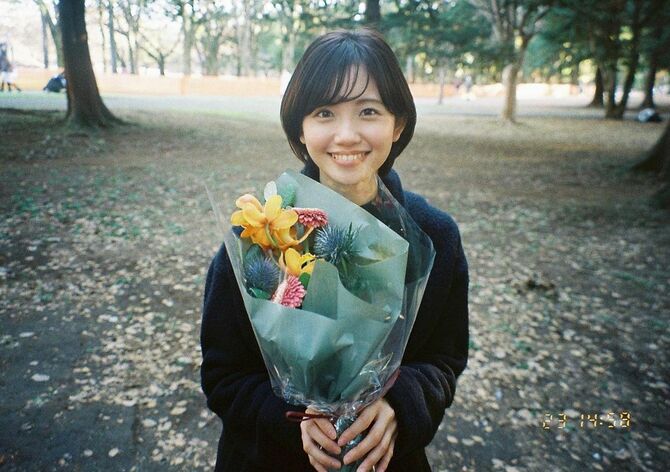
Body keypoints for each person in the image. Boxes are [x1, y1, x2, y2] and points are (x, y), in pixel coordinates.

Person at [201, 28, 469, 472]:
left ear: (398, 124)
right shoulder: (259, 234)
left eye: (368, 111)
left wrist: (400, 405)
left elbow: (444, 360)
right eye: (325, 112)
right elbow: (222, 374)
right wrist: (292, 422)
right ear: (301, 128)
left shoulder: (434, 237)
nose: (346, 135)